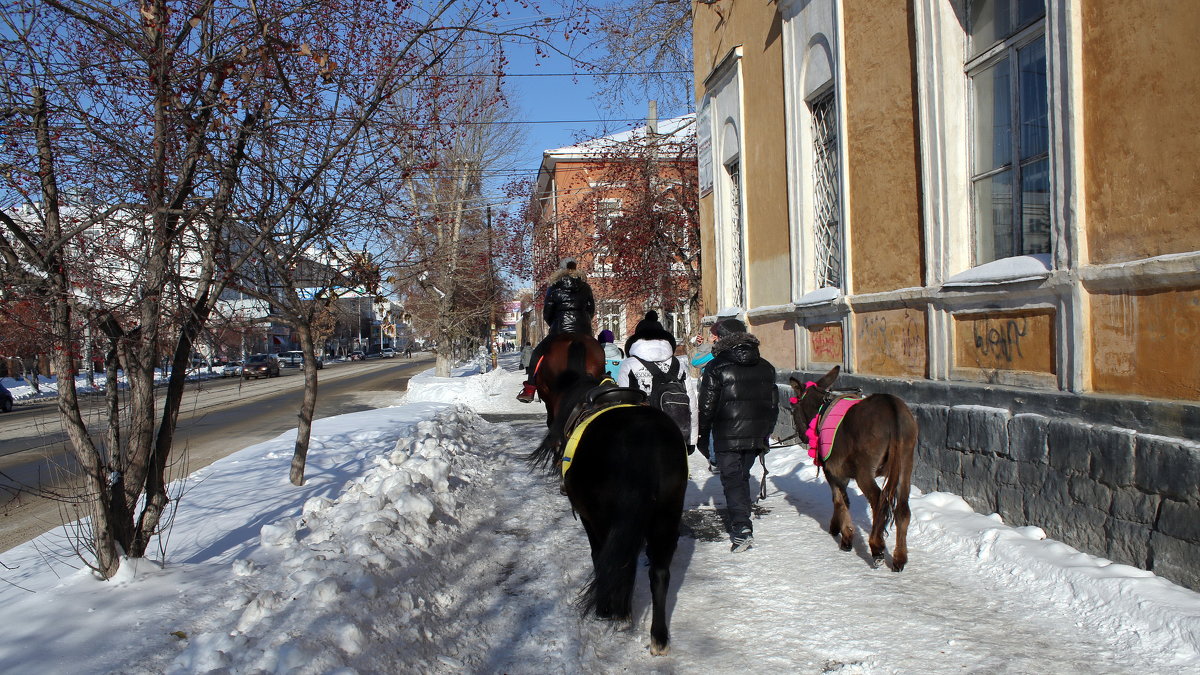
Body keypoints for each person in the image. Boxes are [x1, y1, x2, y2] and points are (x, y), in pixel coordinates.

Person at [697, 318, 779, 552]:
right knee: (741, 476)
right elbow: (774, 405)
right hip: (755, 434)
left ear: (723, 338)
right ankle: (741, 517)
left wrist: (702, 435)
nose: (712, 339)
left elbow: (706, 407)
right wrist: (766, 432)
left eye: (715, 336)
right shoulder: (766, 366)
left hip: (726, 434)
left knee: (733, 479)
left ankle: (742, 528)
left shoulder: (717, 367)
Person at [616, 311, 698, 452]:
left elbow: (623, 403)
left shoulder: (629, 364)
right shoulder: (678, 364)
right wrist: (691, 440)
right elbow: (691, 403)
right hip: (674, 432)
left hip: (640, 435)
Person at [516, 258, 596, 402]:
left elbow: (548, 311)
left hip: (560, 330)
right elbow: (591, 309)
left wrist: (554, 324)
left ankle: (530, 388)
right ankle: (605, 380)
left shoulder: (554, 287)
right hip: (583, 330)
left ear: (560, 270)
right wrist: (584, 323)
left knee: (537, 354)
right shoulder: (585, 287)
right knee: (598, 352)